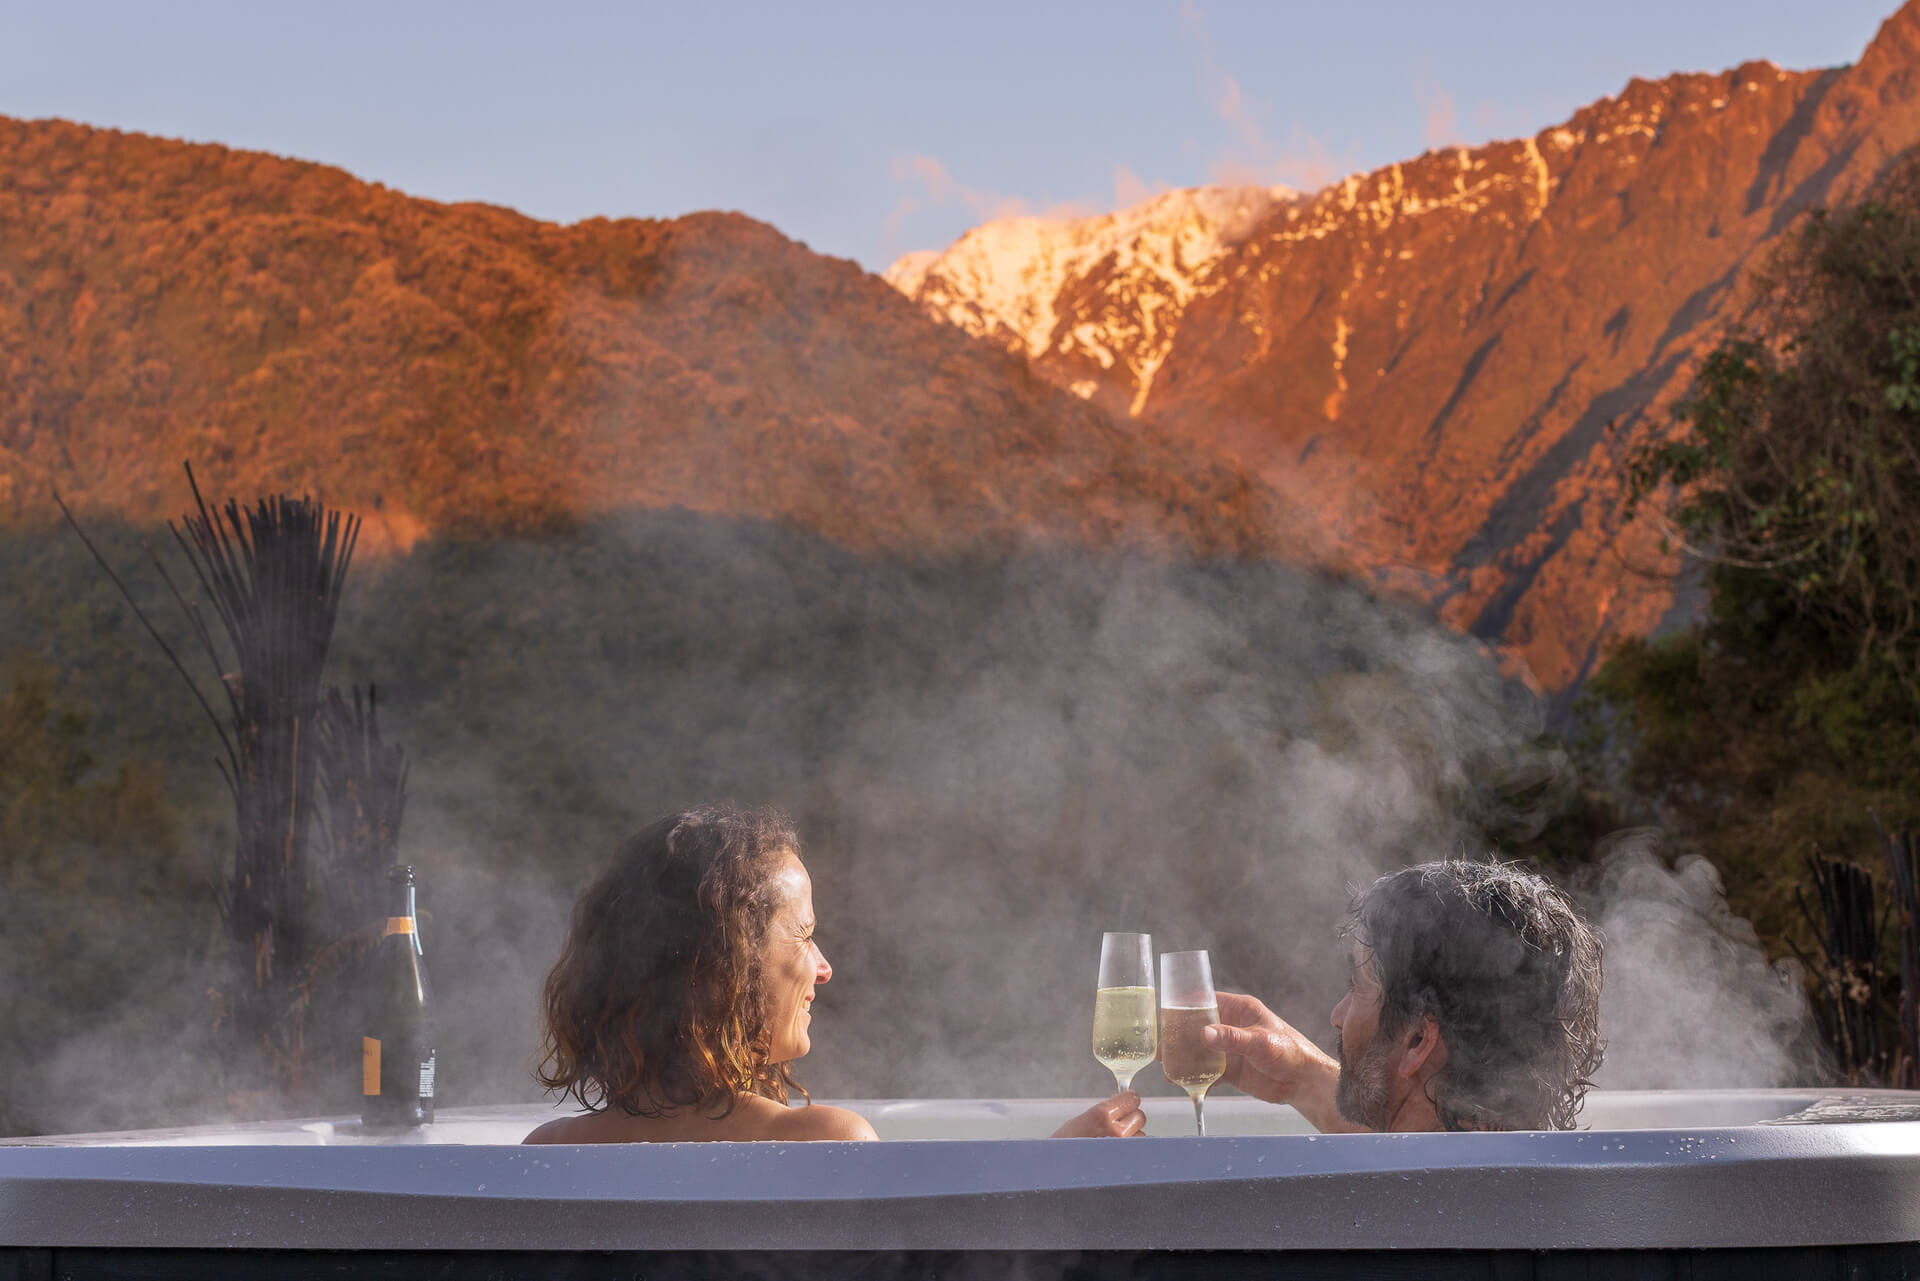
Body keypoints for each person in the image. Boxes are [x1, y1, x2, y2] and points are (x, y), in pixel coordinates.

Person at [525, 805, 1141, 1143]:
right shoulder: (821, 1142)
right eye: (803, 935)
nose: (824, 968)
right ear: (724, 972)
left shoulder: (549, 1154)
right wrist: (1059, 1169)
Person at [1203, 859, 1604, 1133]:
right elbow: (1421, 1163)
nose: (1337, 1015)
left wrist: (1144, 1182)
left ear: (1417, 1041)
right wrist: (1299, 1079)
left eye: (1357, 988)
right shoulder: (1532, 1192)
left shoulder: (1358, 1224)